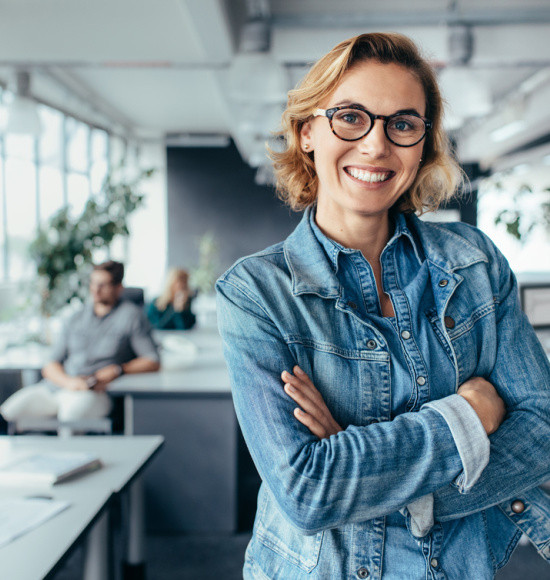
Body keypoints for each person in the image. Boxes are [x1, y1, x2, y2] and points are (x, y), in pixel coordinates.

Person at [216, 33, 550, 579]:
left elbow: (543, 427)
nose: (376, 146)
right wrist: (469, 417)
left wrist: (376, 476)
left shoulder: (475, 263)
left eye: (402, 124)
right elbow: (308, 492)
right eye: (350, 117)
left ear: (422, 143)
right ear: (307, 133)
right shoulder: (257, 292)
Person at [0, 260, 160, 426]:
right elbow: (50, 365)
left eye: (103, 285)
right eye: (93, 283)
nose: (96, 290)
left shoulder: (131, 316)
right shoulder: (75, 317)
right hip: (59, 386)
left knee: (70, 417)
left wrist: (118, 370)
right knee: (8, 412)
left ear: (119, 288)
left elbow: (152, 360)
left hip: (94, 392)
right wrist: (70, 383)